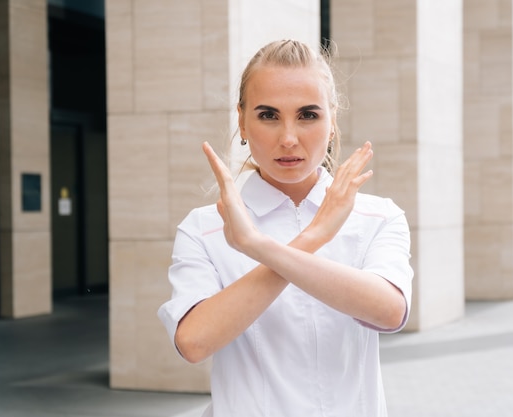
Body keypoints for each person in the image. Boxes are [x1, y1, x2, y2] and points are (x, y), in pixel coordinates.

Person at [158, 39, 413, 417]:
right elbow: (194, 342)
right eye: (268, 115)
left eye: (308, 115)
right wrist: (313, 238)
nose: (288, 138)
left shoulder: (378, 217)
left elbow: (390, 311)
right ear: (242, 119)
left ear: (332, 121)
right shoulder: (205, 228)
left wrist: (258, 247)